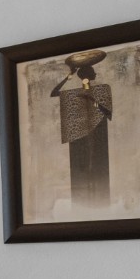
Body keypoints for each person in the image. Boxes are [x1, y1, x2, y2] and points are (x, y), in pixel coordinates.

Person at [49, 49, 113, 210]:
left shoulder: (102, 90)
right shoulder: (73, 94)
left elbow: (107, 113)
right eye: (93, 72)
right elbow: (53, 93)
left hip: (98, 133)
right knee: (80, 169)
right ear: (88, 75)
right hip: (79, 137)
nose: (95, 74)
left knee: (98, 168)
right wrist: (69, 76)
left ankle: (101, 203)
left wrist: (91, 99)